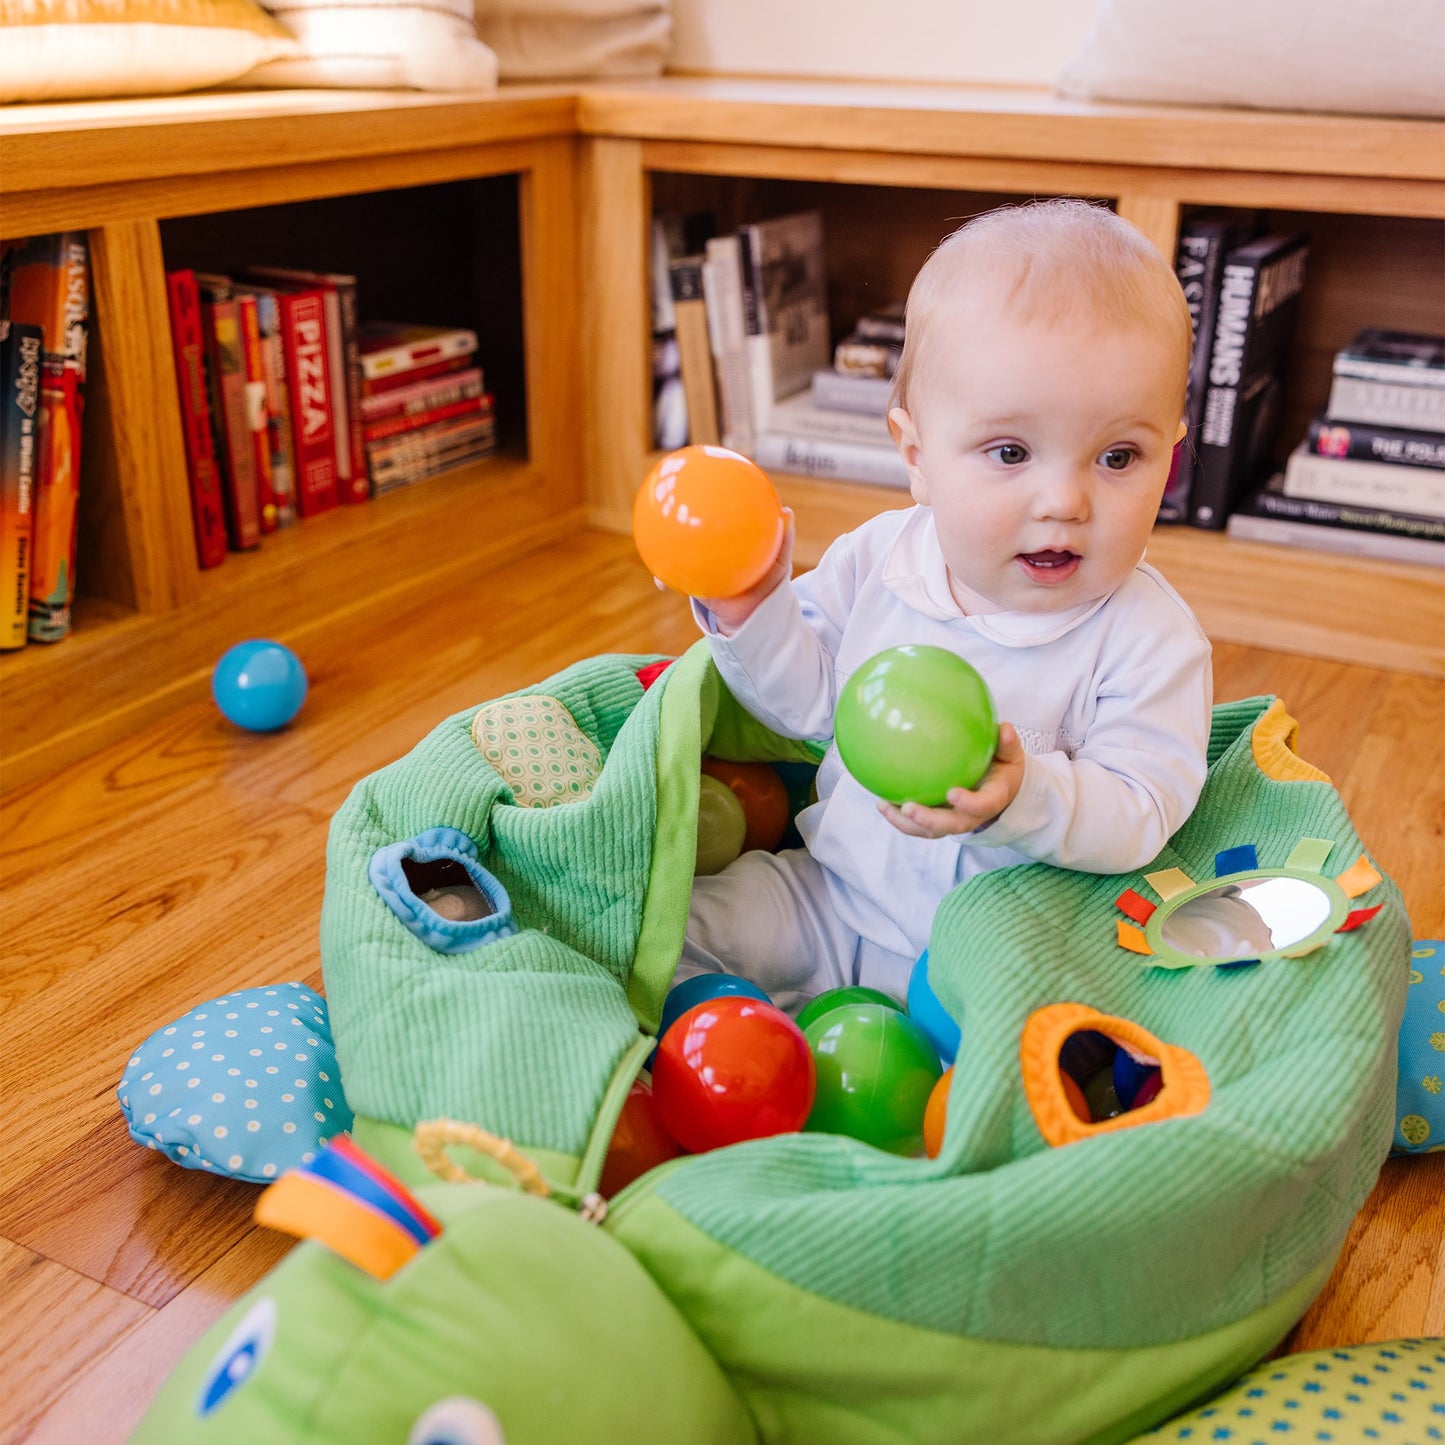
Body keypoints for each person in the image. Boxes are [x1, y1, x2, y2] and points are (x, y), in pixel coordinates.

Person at [678, 198, 1214, 1012]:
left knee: (1056, 1042)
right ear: (918, 457)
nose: (1064, 500)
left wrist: (1026, 795)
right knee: (677, 932)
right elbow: (803, 704)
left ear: (1169, 461)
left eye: (1117, 456)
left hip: (1003, 953)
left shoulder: (1150, 639)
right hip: (834, 894)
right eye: (1009, 451)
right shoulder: (878, 558)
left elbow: (1143, 809)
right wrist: (754, 608)